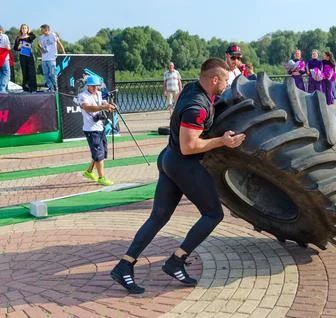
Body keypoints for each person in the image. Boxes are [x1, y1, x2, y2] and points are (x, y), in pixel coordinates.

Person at [110, 58, 246, 294]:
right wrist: (223, 141)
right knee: (213, 214)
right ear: (214, 79)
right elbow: (189, 146)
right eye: (224, 80)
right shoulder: (197, 106)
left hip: (169, 158)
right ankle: (176, 260)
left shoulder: (192, 88)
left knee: (159, 217)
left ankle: (125, 266)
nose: (226, 84)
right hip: (183, 163)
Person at [78, 75, 116, 186]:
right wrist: (103, 107)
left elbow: (103, 103)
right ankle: (101, 177)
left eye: (97, 86)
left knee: (102, 152)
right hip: (91, 129)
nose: (95, 88)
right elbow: (87, 107)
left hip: (100, 127)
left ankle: (89, 172)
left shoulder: (99, 94)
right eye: (93, 86)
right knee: (98, 153)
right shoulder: (83, 96)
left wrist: (109, 106)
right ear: (88, 86)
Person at [38, 24, 65, 91]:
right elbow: (39, 45)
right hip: (44, 59)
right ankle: (50, 87)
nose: (41, 31)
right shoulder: (41, 37)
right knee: (46, 74)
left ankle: (56, 87)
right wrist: (41, 48)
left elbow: (59, 43)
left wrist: (63, 52)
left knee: (52, 74)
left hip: (52, 58)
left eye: (42, 29)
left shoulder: (53, 35)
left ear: (46, 29)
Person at [14, 24, 37, 92]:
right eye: (23, 28)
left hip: (29, 55)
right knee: (24, 71)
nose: (24, 29)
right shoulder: (18, 37)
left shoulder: (30, 37)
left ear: (27, 29)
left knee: (31, 71)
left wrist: (30, 32)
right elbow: (15, 48)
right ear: (21, 29)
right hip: (22, 56)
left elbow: (34, 36)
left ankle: (33, 88)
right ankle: (25, 88)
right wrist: (19, 47)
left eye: (25, 28)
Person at [0, 25, 11, 94]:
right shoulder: (5, 36)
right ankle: (2, 89)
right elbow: (8, 47)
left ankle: (2, 88)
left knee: (1, 73)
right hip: (4, 58)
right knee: (6, 73)